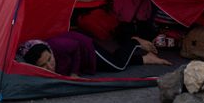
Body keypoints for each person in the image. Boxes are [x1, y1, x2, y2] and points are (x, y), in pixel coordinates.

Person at [19, 31, 171, 77]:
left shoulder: (59, 46)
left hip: (86, 47)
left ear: (50, 51)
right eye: (43, 66)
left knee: (117, 66)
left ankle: (134, 42)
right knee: (110, 62)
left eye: (49, 60)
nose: (49, 65)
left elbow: (77, 48)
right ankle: (145, 59)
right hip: (80, 54)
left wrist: (74, 72)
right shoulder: (36, 59)